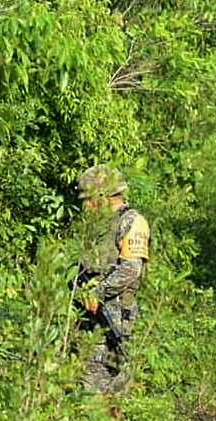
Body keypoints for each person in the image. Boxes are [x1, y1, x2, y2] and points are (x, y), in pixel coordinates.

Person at [73, 164, 150, 394]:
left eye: (88, 199)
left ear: (103, 195)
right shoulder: (98, 225)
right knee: (84, 381)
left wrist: (98, 293)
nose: (86, 206)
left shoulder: (132, 222)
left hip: (113, 320)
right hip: (88, 320)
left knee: (104, 390)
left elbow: (131, 269)